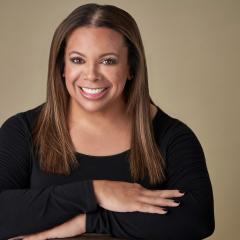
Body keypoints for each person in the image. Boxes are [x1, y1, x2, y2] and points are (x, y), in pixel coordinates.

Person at [0, 3, 215, 240]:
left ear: (131, 67)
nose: (91, 75)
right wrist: (95, 192)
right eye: (77, 60)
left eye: (108, 61)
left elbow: (197, 220)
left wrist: (88, 221)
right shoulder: (22, 131)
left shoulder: (172, 136)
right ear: (62, 67)